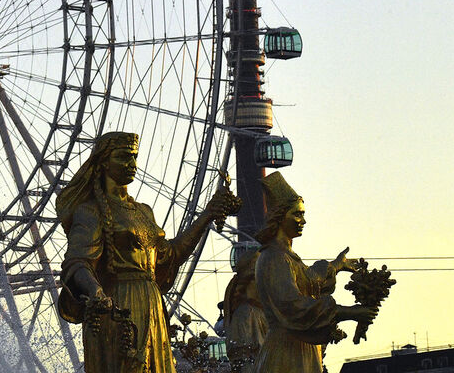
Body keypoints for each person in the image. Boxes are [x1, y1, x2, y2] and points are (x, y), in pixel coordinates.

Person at [57, 131, 241, 373]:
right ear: (102, 162)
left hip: (152, 304)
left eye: (134, 157)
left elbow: (171, 256)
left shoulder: (144, 212)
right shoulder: (91, 211)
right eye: (124, 157)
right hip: (117, 307)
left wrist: (207, 215)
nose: (132, 165)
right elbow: (77, 262)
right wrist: (96, 291)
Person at [251, 172, 377, 373]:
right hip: (286, 354)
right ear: (281, 216)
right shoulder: (273, 258)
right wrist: (348, 312)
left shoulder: (286, 256)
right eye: (297, 214)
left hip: (301, 350)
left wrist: (337, 265)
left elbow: (310, 281)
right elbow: (293, 306)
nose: (303, 220)